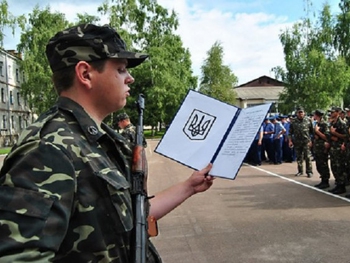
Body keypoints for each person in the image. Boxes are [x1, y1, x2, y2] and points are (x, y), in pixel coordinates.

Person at [0, 23, 214, 262]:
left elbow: (132, 218)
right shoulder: (48, 149)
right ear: (85, 74)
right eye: (121, 69)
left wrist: (189, 186)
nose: (130, 78)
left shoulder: (98, 139)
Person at [288, 106, 314, 177]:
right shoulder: (293, 121)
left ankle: (309, 171)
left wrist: (311, 141)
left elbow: (312, 132)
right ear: (297, 113)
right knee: (299, 157)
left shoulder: (308, 120)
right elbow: (290, 133)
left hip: (306, 142)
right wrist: (290, 141)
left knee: (308, 157)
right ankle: (300, 171)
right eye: (299, 113)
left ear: (304, 113)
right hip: (297, 142)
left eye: (301, 112)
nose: (300, 114)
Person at [328, 107, 348, 194]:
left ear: (337, 113)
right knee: (334, 167)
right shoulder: (333, 123)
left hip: (339, 148)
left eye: (333, 112)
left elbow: (345, 136)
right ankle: (338, 184)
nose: (331, 113)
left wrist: (334, 133)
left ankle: (342, 186)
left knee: (340, 167)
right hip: (333, 148)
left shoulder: (342, 123)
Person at [312, 109, 331, 189]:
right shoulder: (317, 123)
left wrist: (317, 132)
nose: (314, 116)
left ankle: (325, 181)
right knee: (319, 164)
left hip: (322, 147)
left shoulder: (324, 124)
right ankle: (322, 180)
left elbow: (326, 137)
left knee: (323, 164)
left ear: (317, 115)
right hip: (317, 147)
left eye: (315, 115)